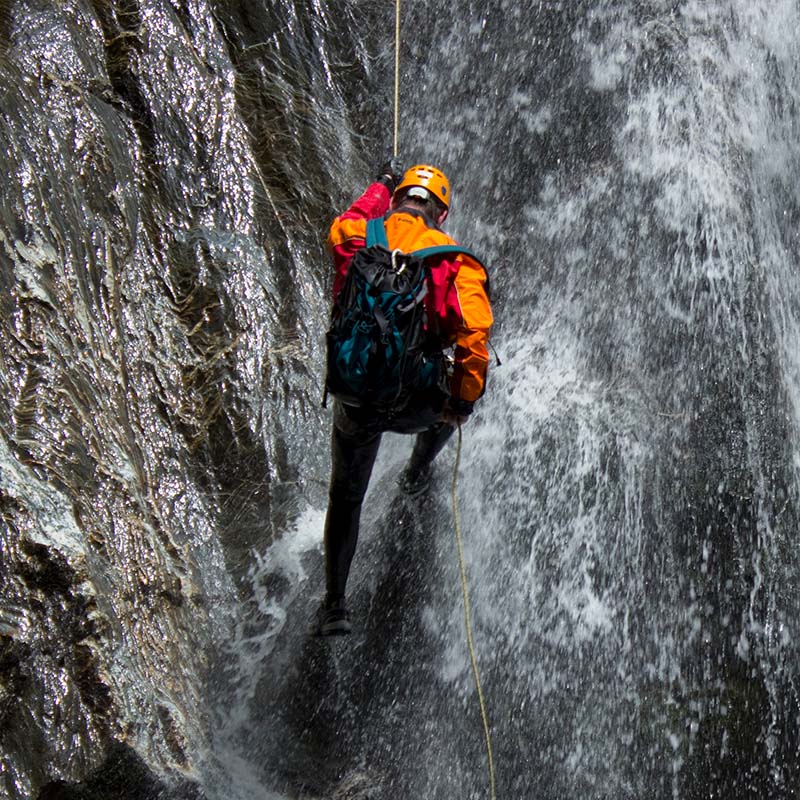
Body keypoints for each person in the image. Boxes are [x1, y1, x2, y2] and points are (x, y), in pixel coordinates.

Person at [313, 160, 493, 636]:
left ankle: (334, 605)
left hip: (357, 398)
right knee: (448, 408)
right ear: (441, 214)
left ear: (398, 201)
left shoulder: (357, 233)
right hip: (414, 400)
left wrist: (381, 184)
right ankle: (416, 472)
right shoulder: (455, 260)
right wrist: (463, 403)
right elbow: (474, 337)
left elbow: (345, 220)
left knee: (346, 496)